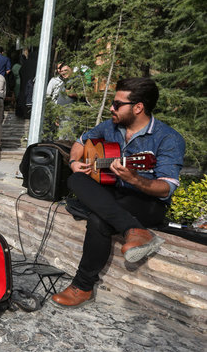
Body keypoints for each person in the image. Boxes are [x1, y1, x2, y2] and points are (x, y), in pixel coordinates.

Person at [51, 77, 186, 308]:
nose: (111, 108)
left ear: (138, 107)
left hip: (148, 202)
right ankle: (133, 230)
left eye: (117, 104)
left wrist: (134, 178)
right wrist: (74, 160)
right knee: (75, 178)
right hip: (114, 195)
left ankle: (82, 287)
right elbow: (81, 141)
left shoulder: (168, 138)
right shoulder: (110, 126)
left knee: (98, 219)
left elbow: (165, 187)